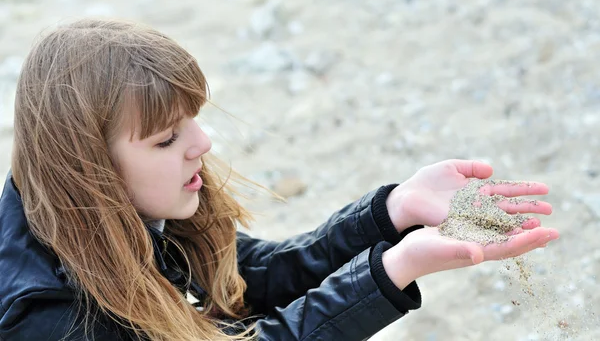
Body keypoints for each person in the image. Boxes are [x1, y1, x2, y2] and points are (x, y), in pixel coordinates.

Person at [0, 19, 559, 341]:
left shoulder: (115, 210)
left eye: (194, 117)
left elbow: (250, 280)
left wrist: (392, 213)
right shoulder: (47, 318)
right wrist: (394, 271)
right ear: (90, 169)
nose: (203, 143)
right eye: (167, 138)